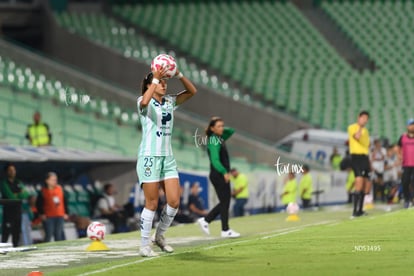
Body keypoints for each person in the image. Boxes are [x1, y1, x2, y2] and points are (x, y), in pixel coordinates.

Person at [136, 66, 197, 257]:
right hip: (149, 157)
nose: (164, 85)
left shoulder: (169, 101)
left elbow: (192, 91)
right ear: (149, 84)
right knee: (152, 203)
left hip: (167, 158)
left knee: (174, 201)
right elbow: (145, 101)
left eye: (165, 82)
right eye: (160, 82)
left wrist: (178, 74)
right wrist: (155, 79)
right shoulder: (142, 101)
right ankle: (144, 245)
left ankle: (159, 236)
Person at [197, 117, 240, 238]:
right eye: (219, 126)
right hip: (218, 174)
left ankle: (219, 227)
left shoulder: (219, 138)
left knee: (225, 201)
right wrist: (224, 172)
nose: (222, 128)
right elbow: (215, 160)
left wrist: (216, 127)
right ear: (212, 128)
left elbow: (231, 131)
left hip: (219, 174)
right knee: (225, 201)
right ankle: (211, 223)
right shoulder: (214, 140)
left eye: (222, 125)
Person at [0, 163, 32, 246]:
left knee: (16, 232)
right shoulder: (4, 183)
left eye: (13, 170)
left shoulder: (18, 182)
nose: (12, 172)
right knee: (6, 233)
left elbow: (26, 194)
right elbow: (10, 196)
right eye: (10, 170)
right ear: (6, 172)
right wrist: (19, 194)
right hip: (8, 212)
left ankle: (15, 248)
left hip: (18, 211)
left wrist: (17, 195)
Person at [348, 111, 371, 218]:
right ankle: (354, 211)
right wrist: (360, 127)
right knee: (359, 181)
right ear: (359, 117)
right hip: (356, 157)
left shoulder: (366, 131)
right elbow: (356, 137)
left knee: (365, 184)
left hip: (364, 158)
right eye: (363, 118)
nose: (365, 120)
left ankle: (360, 210)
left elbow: (366, 145)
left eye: (366, 119)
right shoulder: (352, 127)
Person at [36, 172, 68, 242]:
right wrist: (42, 213)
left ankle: (58, 250)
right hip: (49, 216)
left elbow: (64, 201)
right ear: (47, 181)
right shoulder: (43, 191)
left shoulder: (60, 188)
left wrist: (66, 212)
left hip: (60, 215)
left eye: (55, 180)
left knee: (58, 235)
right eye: (52, 180)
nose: (55, 181)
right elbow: (38, 204)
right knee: (48, 235)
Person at [397, 118, 414, 208]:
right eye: (411, 124)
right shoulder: (402, 137)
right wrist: (399, 155)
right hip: (406, 164)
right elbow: (398, 147)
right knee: (405, 182)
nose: (413, 126)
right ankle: (407, 199)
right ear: (408, 126)